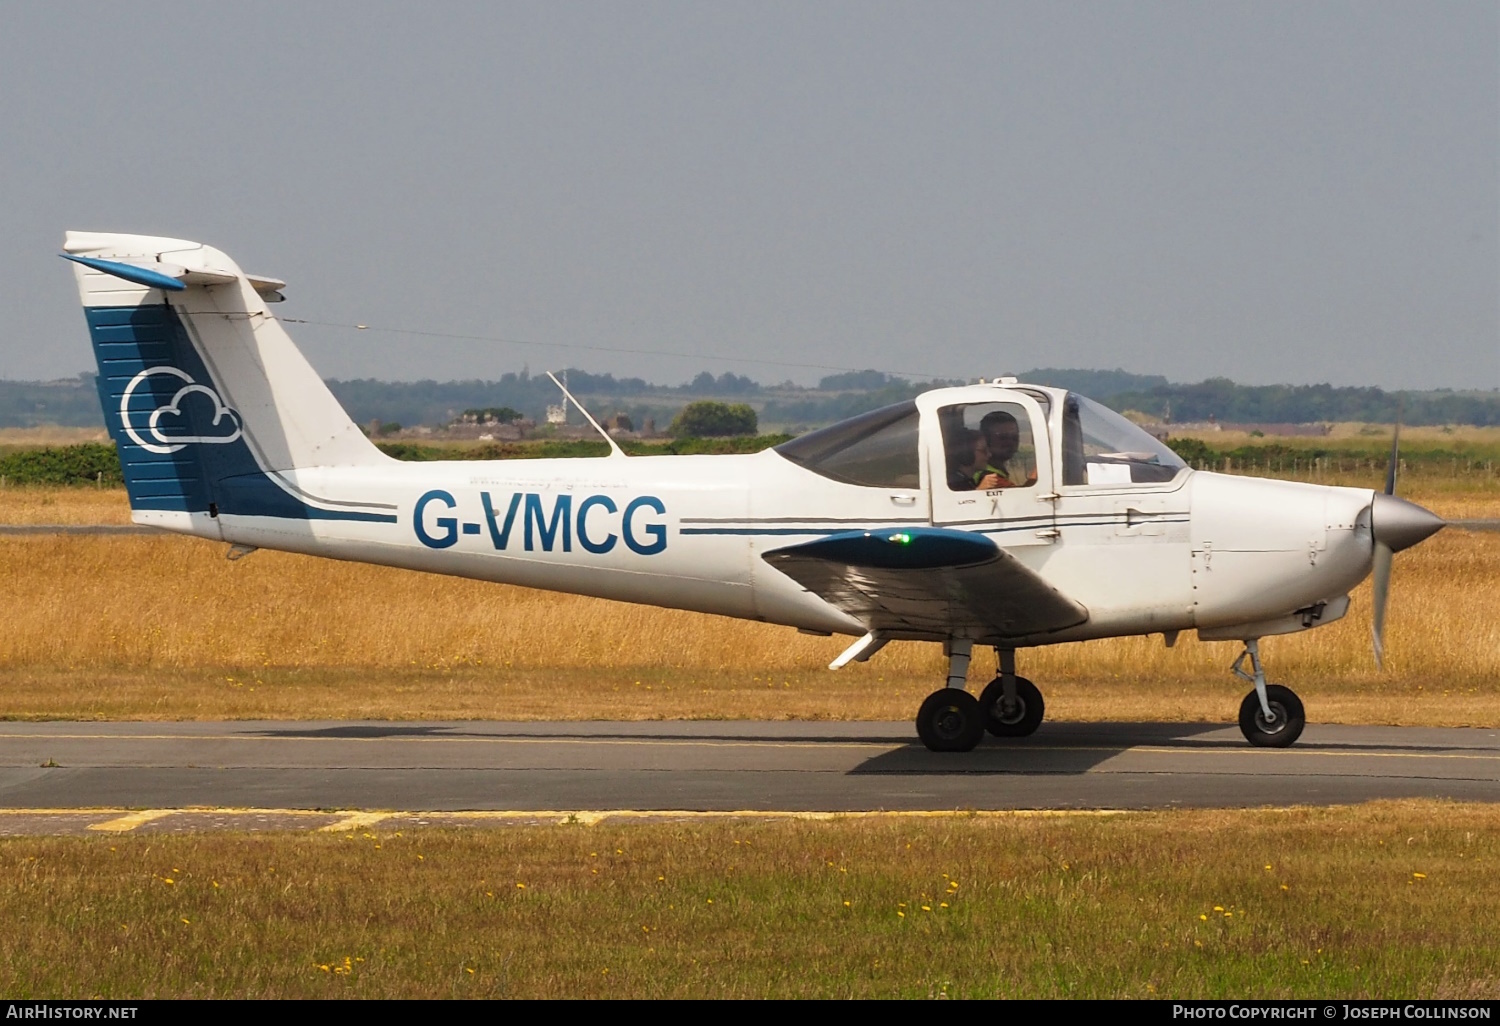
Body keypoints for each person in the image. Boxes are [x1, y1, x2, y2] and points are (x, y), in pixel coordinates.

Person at [974, 410, 1036, 489]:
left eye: (1014, 436)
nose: (1010, 442)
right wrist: (1042, 464)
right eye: (1003, 437)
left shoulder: (997, 469)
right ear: (986, 439)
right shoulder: (989, 477)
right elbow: (1024, 497)